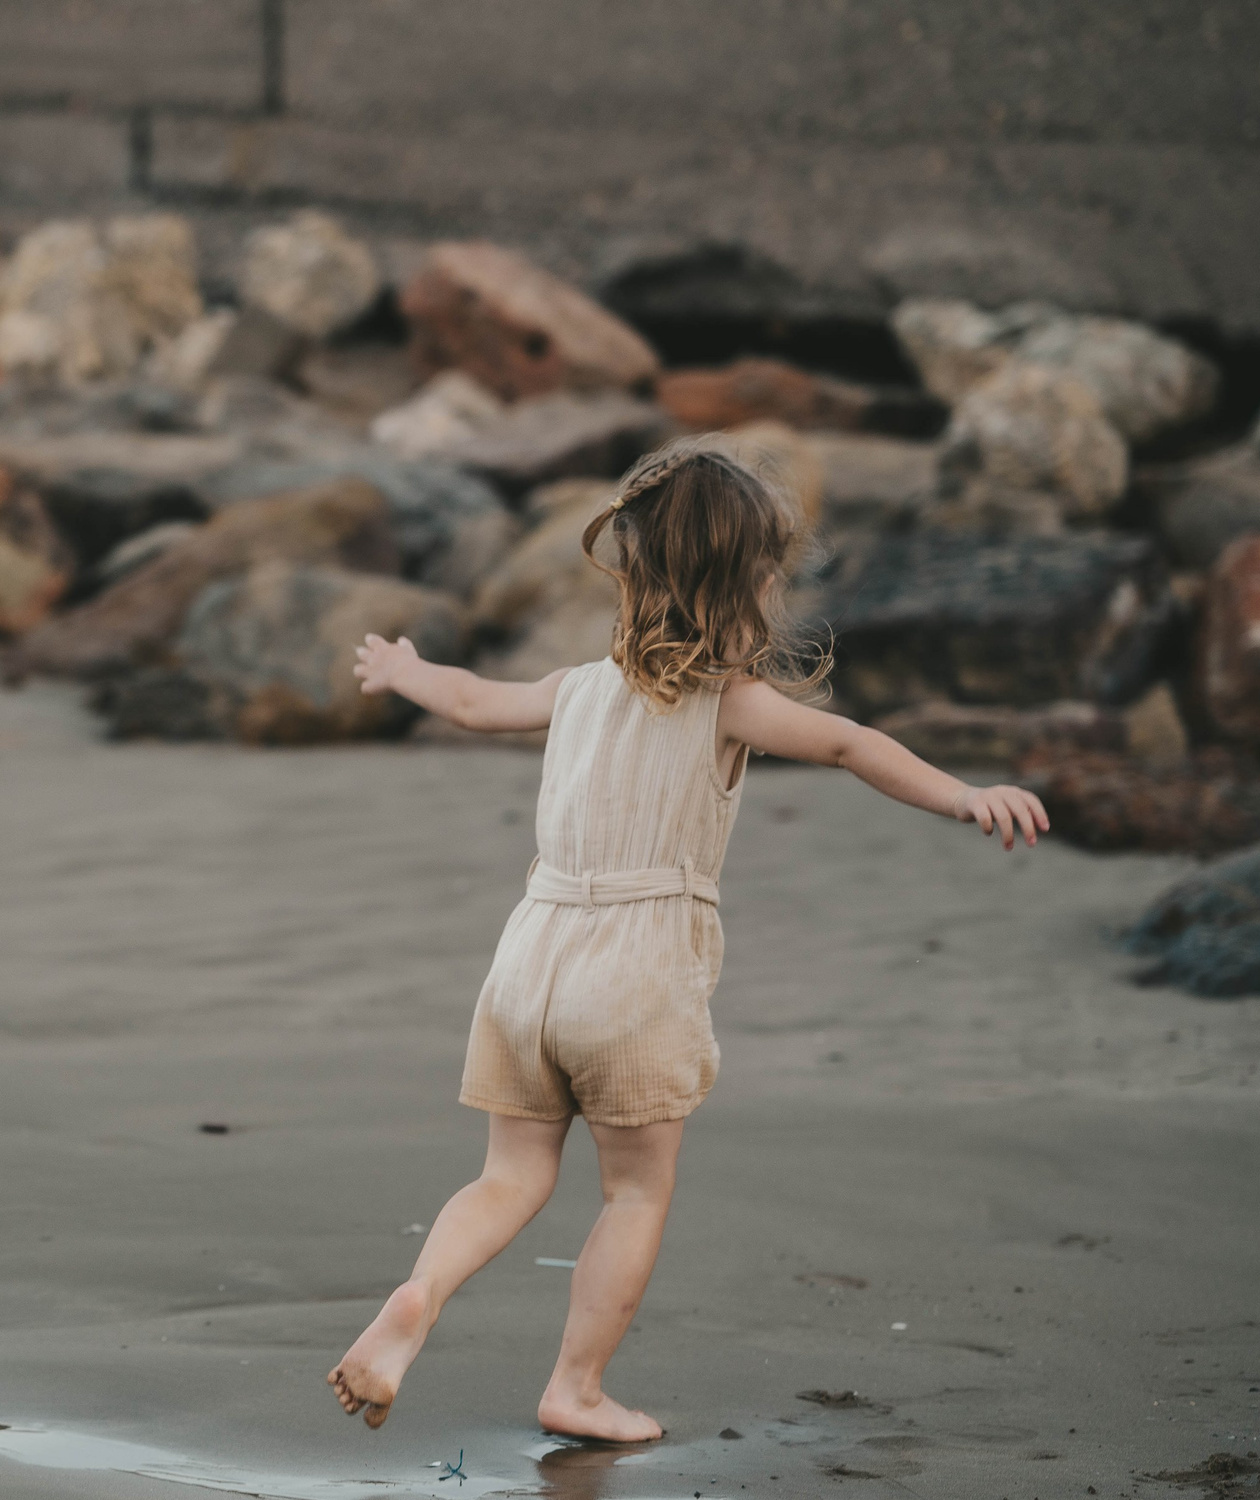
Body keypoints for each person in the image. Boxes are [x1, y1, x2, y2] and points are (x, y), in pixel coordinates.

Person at [325, 435, 1049, 1444]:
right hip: (632, 980)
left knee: (508, 1176)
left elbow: (472, 700)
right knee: (632, 1189)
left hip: (528, 959)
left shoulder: (575, 689)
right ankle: (574, 1385)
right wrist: (964, 793)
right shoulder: (731, 704)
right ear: (748, 587)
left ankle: (419, 1294)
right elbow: (849, 743)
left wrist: (405, 670)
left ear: (633, 571)